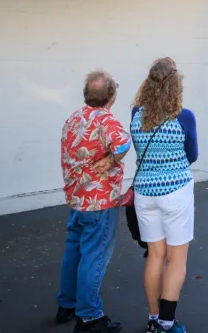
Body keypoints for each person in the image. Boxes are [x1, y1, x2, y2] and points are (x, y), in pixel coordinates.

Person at [56, 70, 131, 333]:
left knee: (73, 253)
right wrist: (110, 160)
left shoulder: (73, 118)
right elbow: (123, 145)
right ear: (111, 95)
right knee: (94, 256)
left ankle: (66, 304)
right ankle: (89, 316)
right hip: (100, 202)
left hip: (76, 199)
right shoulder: (106, 120)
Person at [129, 58, 198, 333]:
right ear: (175, 85)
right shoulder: (184, 116)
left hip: (144, 193)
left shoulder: (136, 113)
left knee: (155, 256)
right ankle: (168, 323)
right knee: (176, 258)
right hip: (176, 192)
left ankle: (153, 318)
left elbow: (136, 147)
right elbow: (192, 154)